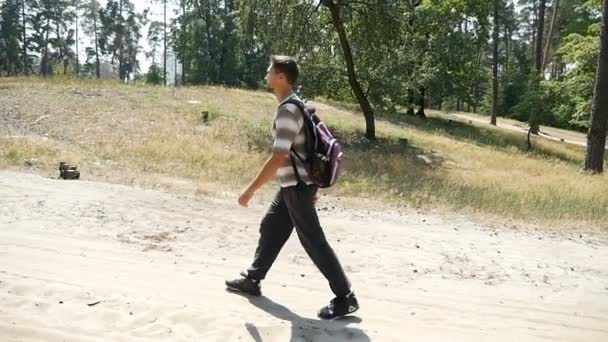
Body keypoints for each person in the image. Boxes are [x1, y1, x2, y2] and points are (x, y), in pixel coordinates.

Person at [225, 55, 359, 319]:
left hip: (296, 187)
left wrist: (250, 190)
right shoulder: (297, 105)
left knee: (313, 241)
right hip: (294, 186)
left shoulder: (288, 110)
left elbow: (279, 156)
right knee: (271, 225)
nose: (266, 75)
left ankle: (345, 297)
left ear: (281, 77)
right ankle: (253, 280)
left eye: (269, 71)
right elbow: (308, 149)